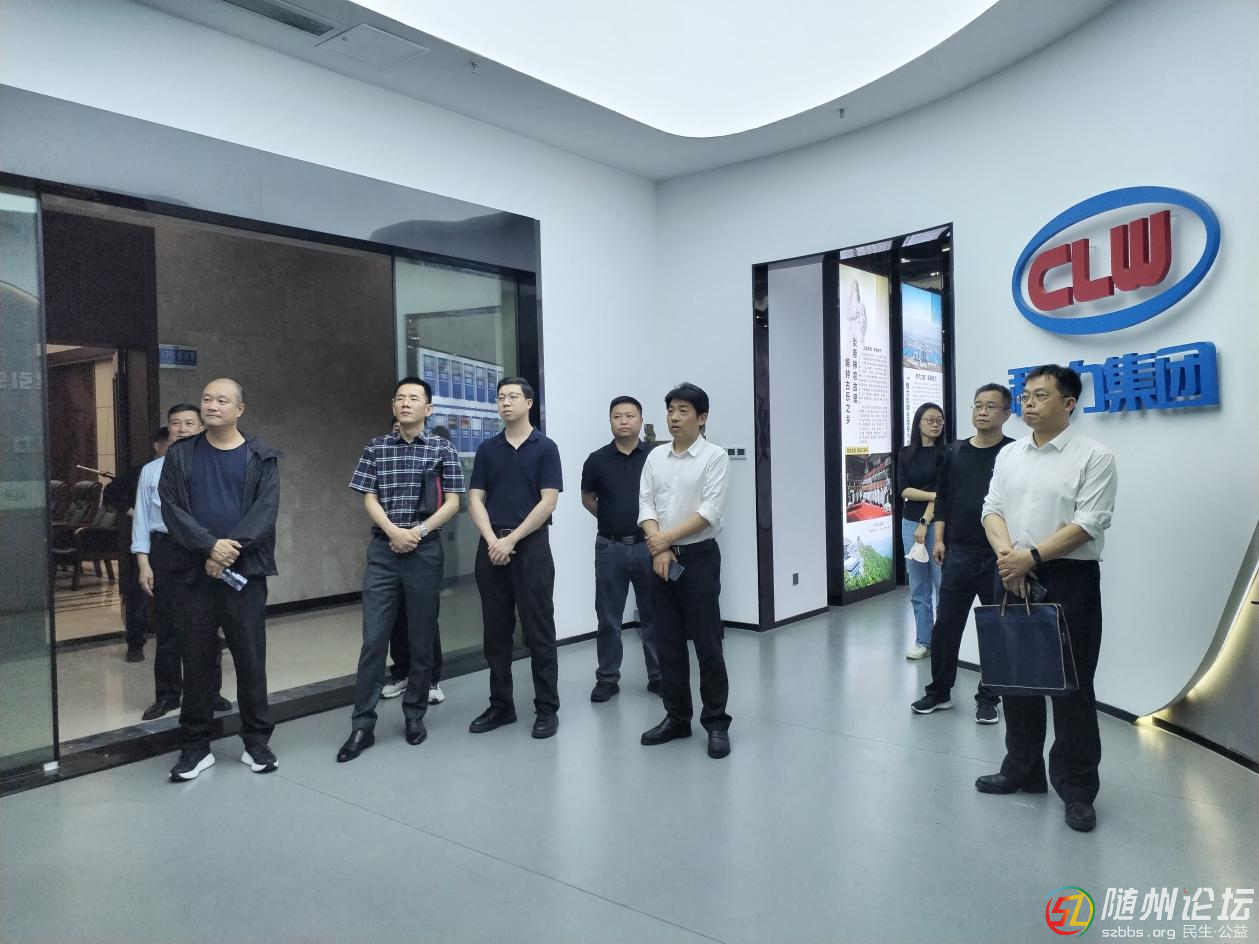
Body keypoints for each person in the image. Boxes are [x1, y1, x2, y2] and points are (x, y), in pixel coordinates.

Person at [977, 365, 1118, 833]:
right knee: (1016, 678)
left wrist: (1031, 557)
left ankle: (1077, 789)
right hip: (1010, 570)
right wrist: (1009, 557)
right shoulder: (1010, 454)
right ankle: (1022, 770)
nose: (1029, 403)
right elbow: (992, 509)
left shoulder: (1094, 456)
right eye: (1026, 395)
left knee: (1072, 686)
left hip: (1067, 577)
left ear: (1069, 403)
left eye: (1040, 395)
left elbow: (1089, 523)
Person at [159, 378, 282, 782]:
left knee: (250, 659)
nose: (211, 406)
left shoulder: (261, 455)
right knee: (195, 660)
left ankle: (257, 741)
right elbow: (172, 508)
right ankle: (196, 746)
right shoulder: (180, 454)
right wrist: (209, 547)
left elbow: (265, 511)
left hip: (244, 574)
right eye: (207, 399)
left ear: (240, 409)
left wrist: (228, 551)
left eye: (222, 400)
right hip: (193, 574)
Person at [337, 378, 463, 762]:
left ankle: (414, 715)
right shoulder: (376, 447)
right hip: (384, 550)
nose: (406, 403)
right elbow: (368, 497)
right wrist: (394, 532)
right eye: (400, 398)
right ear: (393, 406)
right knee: (374, 639)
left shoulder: (442, 448)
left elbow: (453, 502)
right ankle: (362, 725)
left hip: (425, 551)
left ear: (428, 408)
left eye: (414, 398)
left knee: (421, 637)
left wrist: (417, 532)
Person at [910, 384, 1014, 724]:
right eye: (978, 405)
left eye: (991, 406)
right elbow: (944, 499)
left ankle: (990, 696)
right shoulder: (955, 452)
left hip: (999, 556)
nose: (982, 411)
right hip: (959, 552)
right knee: (946, 625)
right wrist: (940, 540)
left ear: (1006, 414)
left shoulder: (1014, 453)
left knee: (996, 627)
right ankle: (939, 691)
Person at [638, 383, 732, 759]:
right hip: (661, 558)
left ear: (702, 417)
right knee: (668, 644)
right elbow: (646, 504)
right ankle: (677, 718)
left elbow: (709, 511)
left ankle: (716, 722)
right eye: (671, 410)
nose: (674, 418)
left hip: (699, 558)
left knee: (708, 644)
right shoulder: (655, 457)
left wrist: (664, 541)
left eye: (683, 411)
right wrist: (660, 545)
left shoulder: (714, 457)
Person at [466, 377, 563, 739]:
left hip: (531, 548)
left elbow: (548, 501)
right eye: (500, 397)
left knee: (539, 631)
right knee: (496, 632)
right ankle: (501, 706)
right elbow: (474, 498)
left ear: (529, 403)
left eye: (512, 397)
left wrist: (512, 540)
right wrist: (494, 540)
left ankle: (547, 709)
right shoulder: (487, 449)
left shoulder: (545, 447)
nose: (505, 402)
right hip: (491, 547)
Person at [133, 405, 231, 721]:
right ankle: (167, 695)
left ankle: (209, 691)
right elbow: (142, 519)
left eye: (190, 423)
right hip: (165, 550)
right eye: (176, 423)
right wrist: (143, 563)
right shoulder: (152, 470)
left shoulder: (213, 465)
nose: (182, 428)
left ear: (202, 427)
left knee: (207, 625)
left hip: (203, 549)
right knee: (167, 626)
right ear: (169, 430)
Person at [580, 395, 662, 702]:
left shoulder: (656, 456)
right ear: (610, 421)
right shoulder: (597, 459)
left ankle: (659, 675)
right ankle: (607, 678)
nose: (623, 421)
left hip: (649, 546)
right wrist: (612, 518)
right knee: (608, 617)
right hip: (610, 547)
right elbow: (588, 498)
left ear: (640, 420)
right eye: (617, 416)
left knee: (654, 615)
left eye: (629, 416)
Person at [898, 402, 946, 660]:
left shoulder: (947, 453)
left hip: (936, 524)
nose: (935, 424)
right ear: (918, 423)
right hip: (909, 523)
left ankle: (943, 641)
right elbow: (904, 490)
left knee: (942, 584)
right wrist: (933, 495)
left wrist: (925, 521)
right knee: (918, 586)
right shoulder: (906, 453)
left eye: (939, 420)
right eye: (930, 420)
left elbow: (943, 491)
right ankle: (923, 641)